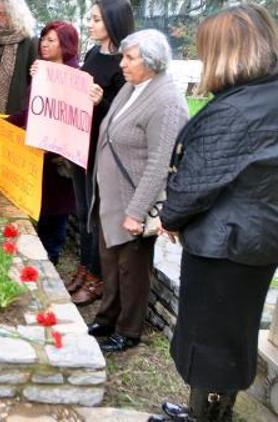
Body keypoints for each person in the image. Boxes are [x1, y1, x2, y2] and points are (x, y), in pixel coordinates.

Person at [151, 5, 278, 421]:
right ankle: (210, 412)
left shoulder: (237, 109)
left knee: (209, 345)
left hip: (225, 244)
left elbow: (196, 181)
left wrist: (169, 217)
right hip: (254, 240)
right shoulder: (266, 96)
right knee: (230, 338)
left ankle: (205, 417)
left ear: (228, 51)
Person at [87, 29, 188, 353]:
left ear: (152, 62)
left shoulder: (167, 100)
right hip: (111, 195)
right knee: (111, 262)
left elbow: (160, 162)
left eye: (130, 58)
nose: (123, 63)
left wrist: (136, 211)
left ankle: (128, 330)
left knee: (132, 269)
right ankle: (107, 318)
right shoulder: (132, 86)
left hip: (133, 200)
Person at [69, 0, 135, 306]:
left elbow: (128, 114)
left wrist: (101, 103)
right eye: (90, 18)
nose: (90, 24)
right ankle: (84, 268)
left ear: (112, 21)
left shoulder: (127, 61)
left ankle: (96, 278)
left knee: (96, 215)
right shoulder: (93, 53)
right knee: (82, 212)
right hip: (80, 142)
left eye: (96, 19)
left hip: (104, 150)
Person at [3, 21, 78, 264]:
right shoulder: (40, 71)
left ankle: (52, 260)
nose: (44, 44)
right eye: (43, 39)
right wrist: (8, 122)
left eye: (51, 40)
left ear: (65, 44)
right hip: (39, 155)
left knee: (57, 214)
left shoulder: (75, 77)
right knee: (43, 211)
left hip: (60, 159)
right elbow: (32, 110)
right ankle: (41, 259)